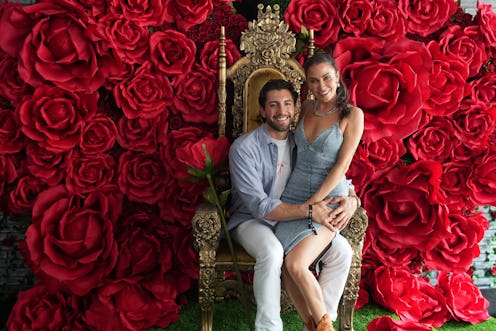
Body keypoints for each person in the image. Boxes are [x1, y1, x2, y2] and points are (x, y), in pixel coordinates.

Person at [228, 78, 359, 331]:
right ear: (263, 111)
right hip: (252, 221)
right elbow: (259, 206)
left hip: (293, 218)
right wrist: (310, 211)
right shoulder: (243, 148)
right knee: (273, 251)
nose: (281, 111)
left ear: (295, 109)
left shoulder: (299, 142)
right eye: (274, 105)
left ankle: (320, 322)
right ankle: (269, 327)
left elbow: (328, 169)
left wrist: (353, 199)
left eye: (287, 104)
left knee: (342, 250)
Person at [274, 53, 364, 331]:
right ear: (308, 84)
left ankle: (324, 327)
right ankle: (311, 325)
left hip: (327, 200)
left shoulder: (352, 115)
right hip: (293, 196)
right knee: (287, 266)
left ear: (337, 76)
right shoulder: (305, 108)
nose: (321, 85)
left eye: (326, 77)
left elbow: (342, 165)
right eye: (313, 80)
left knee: (297, 263)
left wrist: (316, 204)